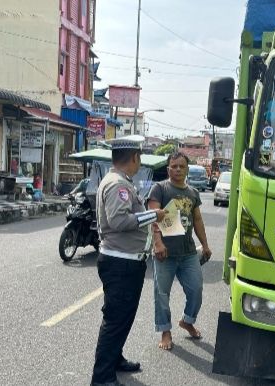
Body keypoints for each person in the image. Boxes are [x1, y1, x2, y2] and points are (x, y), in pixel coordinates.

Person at [91, 137, 166, 386]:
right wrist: (152, 215)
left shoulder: (121, 182)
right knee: (115, 320)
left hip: (127, 262)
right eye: (140, 158)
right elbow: (119, 221)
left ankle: (115, 359)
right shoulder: (117, 185)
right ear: (134, 157)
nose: (139, 162)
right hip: (120, 263)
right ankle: (102, 377)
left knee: (123, 317)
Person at [148, 152, 212, 350]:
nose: (177, 169)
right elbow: (153, 216)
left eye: (181, 166)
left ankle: (187, 321)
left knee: (196, 289)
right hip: (164, 253)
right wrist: (158, 243)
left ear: (187, 169)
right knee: (162, 294)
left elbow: (198, 220)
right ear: (168, 169)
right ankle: (165, 331)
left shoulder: (193, 193)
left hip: (188, 253)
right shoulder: (159, 188)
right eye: (174, 166)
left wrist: (206, 244)